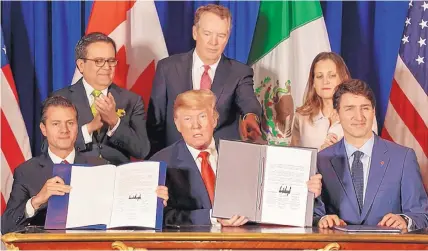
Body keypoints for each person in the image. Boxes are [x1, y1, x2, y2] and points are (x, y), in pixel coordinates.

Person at [150, 90, 322, 226]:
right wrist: (214, 217)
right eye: (187, 119)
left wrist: (305, 191)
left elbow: (268, 198)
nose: (196, 125)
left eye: (202, 116)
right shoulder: (161, 163)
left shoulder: (244, 154)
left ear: (215, 120)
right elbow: (164, 217)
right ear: (177, 124)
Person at [2, 96, 168, 234]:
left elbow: (123, 217)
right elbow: (6, 227)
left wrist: (153, 203)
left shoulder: (101, 167)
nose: (64, 130)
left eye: (70, 123)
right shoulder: (26, 171)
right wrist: (37, 201)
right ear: (43, 129)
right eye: (56, 124)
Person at [147, 4, 262, 157]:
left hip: (220, 161)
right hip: (176, 162)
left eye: (221, 35)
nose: (213, 42)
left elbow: (249, 103)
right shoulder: (167, 68)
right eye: (207, 33)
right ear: (195, 32)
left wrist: (250, 117)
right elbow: (156, 122)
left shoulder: (239, 72)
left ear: (227, 37)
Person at [314, 80, 428, 231]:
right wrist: (322, 219)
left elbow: (421, 214)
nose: (359, 116)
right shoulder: (321, 160)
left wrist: (404, 221)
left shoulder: (403, 158)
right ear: (337, 114)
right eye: (349, 109)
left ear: (373, 111)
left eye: (365, 108)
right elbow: (313, 214)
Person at [46, 32, 150, 165]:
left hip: (116, 178)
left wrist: (115, 122)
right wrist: (88, 128)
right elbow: (46, 147)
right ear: (81, 65)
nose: (107, 67)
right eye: (98, 61)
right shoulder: (60, 99)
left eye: (111, 61)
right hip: (77, 177)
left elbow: (142, 150)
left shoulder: (131, 100)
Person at [291, 52, 378, 150]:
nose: (325, 81)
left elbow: (370, 152)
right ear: (313, 83)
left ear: (343, 78)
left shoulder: (362, 112)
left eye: (332, 75)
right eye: (319, 76)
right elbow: (294, 158)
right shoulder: (302, 116)